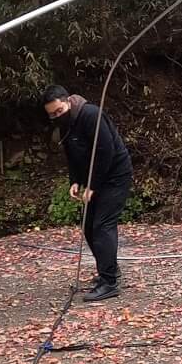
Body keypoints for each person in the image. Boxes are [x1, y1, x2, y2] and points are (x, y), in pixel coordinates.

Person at [42, 85, 133, 302]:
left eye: (59, 111)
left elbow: (105, 150)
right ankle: (109, 270)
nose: (56, 116)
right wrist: (75, 181)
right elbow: (72, 154)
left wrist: (92, 185)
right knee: (88, 224)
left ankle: (109, 282)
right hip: (96, 178)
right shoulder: (65, 125)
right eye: (52, 115)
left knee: (102, 225)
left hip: (115, 174)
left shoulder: (90, 115)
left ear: (68, 102)